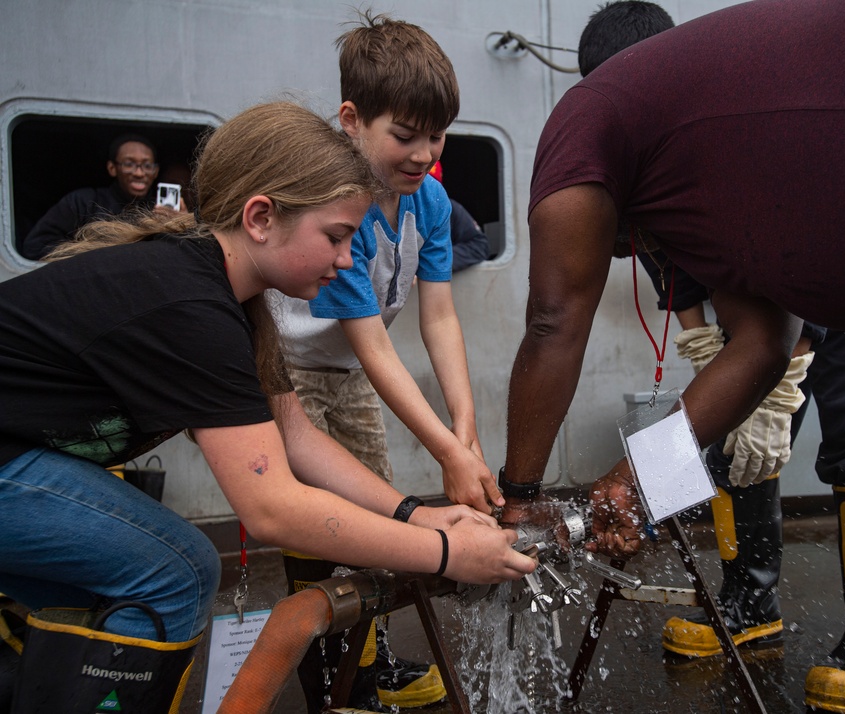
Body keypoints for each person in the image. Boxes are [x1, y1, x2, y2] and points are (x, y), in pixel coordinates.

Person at [502, 0, 845, 709]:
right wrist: (634, 483)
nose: (617, 253)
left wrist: (520, 500)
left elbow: (554, 322)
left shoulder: (586, 120)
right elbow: (762, 344)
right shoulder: (688, 175)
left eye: (618, 243)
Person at [0, 100, 535, 713]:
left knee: (96, 593)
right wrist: (448, 555)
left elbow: (295, 436)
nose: (344, 260)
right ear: (261, 217)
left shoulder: (233, 301)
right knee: (180, 569)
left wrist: (415, 514)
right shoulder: (189, 307)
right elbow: (273, 508)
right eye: (335, 237)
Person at [577, 4, 845, 712]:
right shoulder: (636, 155)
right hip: (750, 317)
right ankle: (748, 601)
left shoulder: (732, 125)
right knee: (726, 440)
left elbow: (805, 247)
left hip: (843, 297)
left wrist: (782, 381)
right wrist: (710, 358)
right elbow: (680, 272)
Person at [270, 14, 499, 712]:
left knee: (375, 513)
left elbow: (438, 316)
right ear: (352, 120)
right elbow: (373, 347)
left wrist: (464, 431)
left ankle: (369, 658)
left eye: (436, 136)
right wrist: (448, 455)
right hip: (294, 371)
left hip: (349, 371)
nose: (424, 153)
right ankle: (332, 681)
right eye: (405, 135)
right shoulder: (341, 204)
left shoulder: (428, 198)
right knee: (318, 518)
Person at [20, 134, 181, 260]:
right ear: (112, 168)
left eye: (147, 165)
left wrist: (180, 226)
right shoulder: (83, 201)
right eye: (129, 164)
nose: (139, 173)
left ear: (155, 172)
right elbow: (35, 247)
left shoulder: (161, 210)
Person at [429, 161, 491, 271]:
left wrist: (434, 261)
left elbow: (479, 246)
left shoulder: (449, 208)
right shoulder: (391, 209)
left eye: (430, 186)